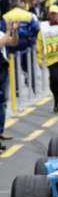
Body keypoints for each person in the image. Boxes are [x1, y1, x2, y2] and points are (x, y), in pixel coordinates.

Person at [0, 22, 19, 152]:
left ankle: (0, 131)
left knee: (3, 102)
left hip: (2, 69)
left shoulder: (1, 34)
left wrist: (15, 31)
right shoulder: (3, 34)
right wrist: (8, 31)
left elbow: (13, 42)